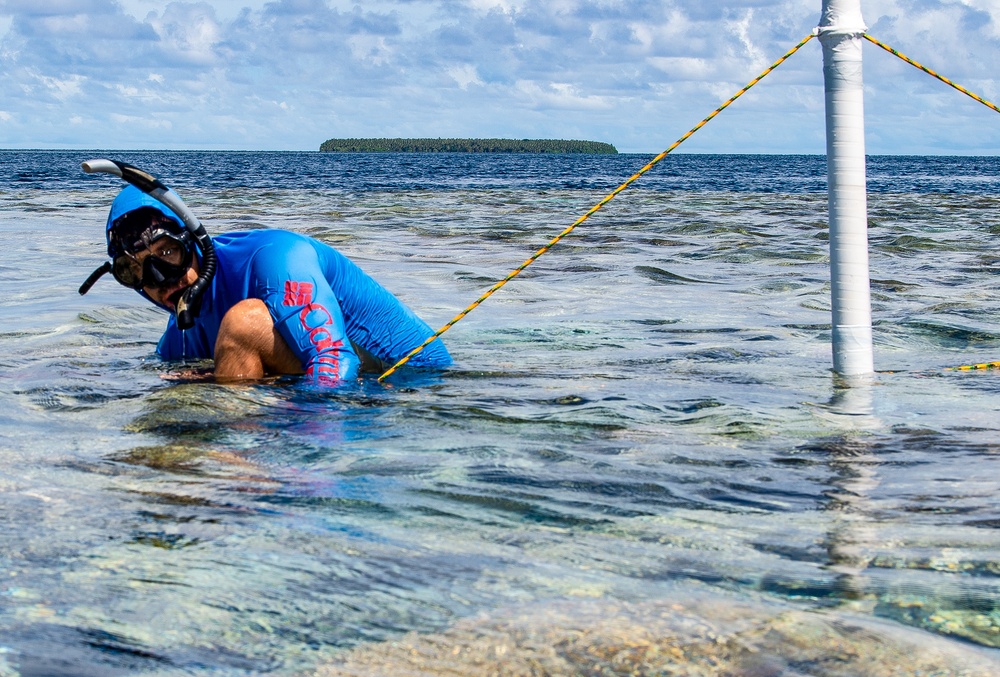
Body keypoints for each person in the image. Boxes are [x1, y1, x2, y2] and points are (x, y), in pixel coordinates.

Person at [83, 185, 451, 383]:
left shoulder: (278, 257)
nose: (161, 281)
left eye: (168, 255)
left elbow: (335, 362)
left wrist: (301, 457)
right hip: (350, 383)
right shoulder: (182, 328)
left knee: (244, 323)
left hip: (416, 384)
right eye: (136, 272)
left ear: (194, 240)